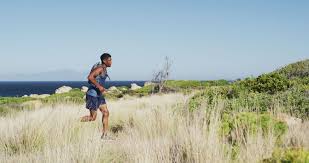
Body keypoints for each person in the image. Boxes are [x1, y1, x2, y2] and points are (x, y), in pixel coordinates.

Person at [80, 53, 113, 139]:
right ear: (104, 61)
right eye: (109, 60)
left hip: (99, 95)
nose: (111, 62)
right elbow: (90, 77)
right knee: (92, 118)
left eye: (111, 59)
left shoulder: (104, 69)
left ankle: (105, 135)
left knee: (106, 113)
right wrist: (99, 87)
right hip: (92, 95)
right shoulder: (100, 68)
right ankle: (75, 122)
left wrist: (102, 89)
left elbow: (98, 80)